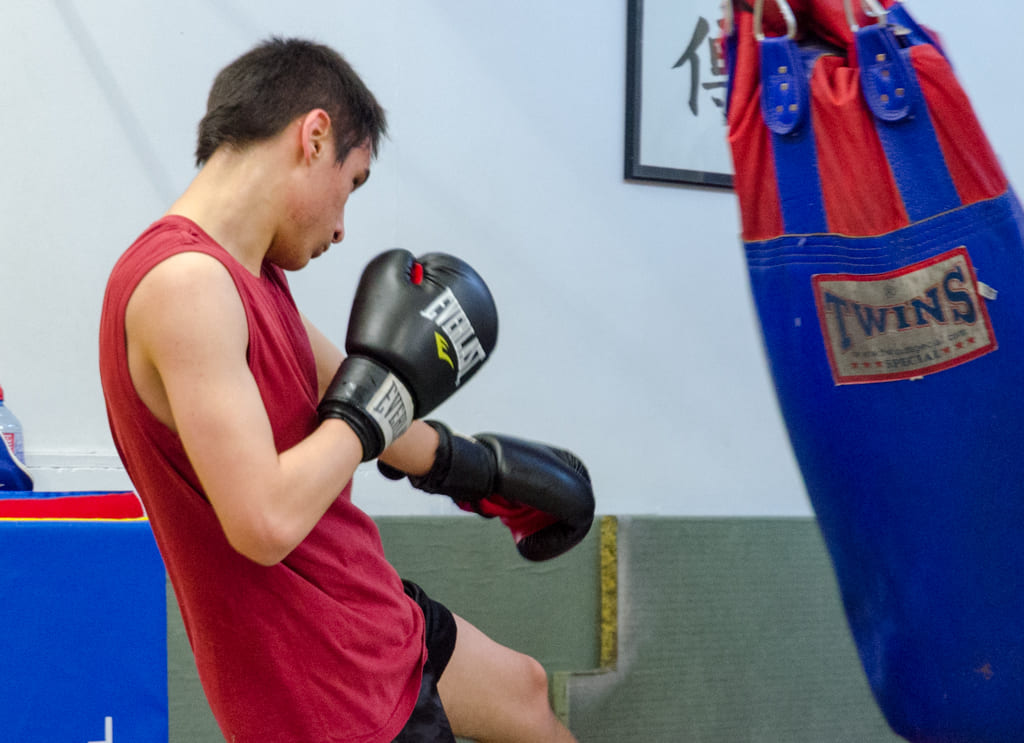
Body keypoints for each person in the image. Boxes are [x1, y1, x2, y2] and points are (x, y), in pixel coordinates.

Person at [98, 36, 593, 742]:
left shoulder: (253, 280)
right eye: (351, 183)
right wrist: (369, 416)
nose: (340, 226)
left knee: (524, 690)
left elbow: (362, 392)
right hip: (326, 690)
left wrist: (485, 474)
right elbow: (263, 520)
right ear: (315, 134)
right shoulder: (185, 287)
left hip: (368, 614)